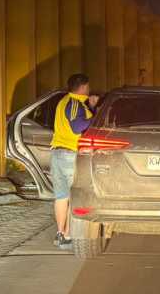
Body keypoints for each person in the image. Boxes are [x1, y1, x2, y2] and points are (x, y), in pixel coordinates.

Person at [50, 73, 99, 250]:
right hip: (70, 154)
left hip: (57, 154)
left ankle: (60, 234)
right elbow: (77, 126)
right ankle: (68, 234)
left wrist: (91, 107)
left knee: (61, 196)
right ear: (84, 87)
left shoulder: (63, 102)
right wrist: (95, 115)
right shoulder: (74, 103)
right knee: (73, 197)